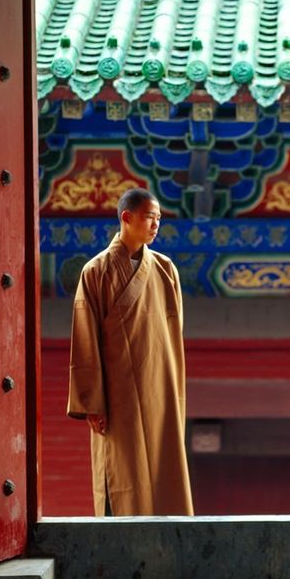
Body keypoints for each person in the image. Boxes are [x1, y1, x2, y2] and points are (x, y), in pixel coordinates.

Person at [66, 187, 194, 516]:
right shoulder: (96, 271)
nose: (156, 225)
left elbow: (173, 335)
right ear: (127, 217)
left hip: (159, 385)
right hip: (116, 393)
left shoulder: (166, 270)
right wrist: (92, 403)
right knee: (122, 470)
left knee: (165, 469)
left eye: (159, 218)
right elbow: (85, 341)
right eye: (150, 217)